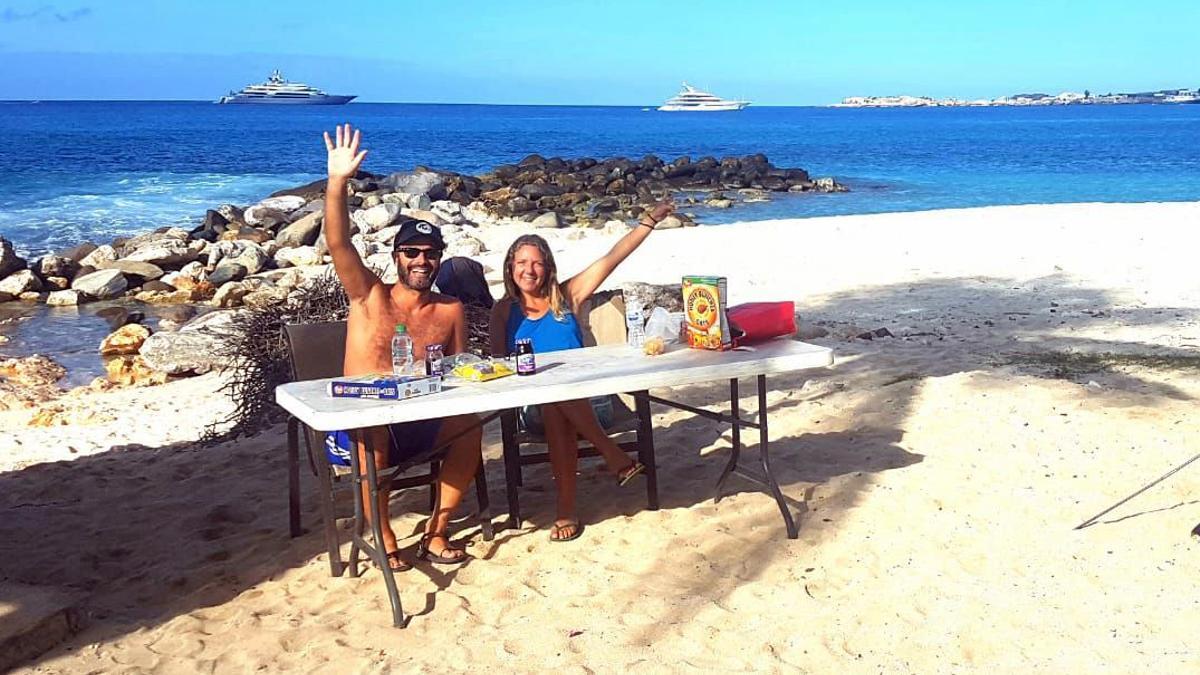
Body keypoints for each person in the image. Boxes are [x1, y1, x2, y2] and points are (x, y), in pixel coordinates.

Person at [322, 123, 481, 570]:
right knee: (372, 437)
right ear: (396, 258)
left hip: (419, 419)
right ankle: (385, 535)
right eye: (411, 252)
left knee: (468, 428)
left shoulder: (450, 308)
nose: (421, 260)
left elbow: (458, 371)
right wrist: (338, 181)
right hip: (362, 423)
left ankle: (436, 531)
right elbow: (338, 242)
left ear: (439, 259)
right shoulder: (369, 295)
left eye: (430, 253)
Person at [488, 198, 676, 542]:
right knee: (553, 400)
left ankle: (567, 510)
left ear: (548, 268)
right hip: (535, 409)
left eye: (537, 263)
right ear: (510, 267)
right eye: (522, 263)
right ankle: (612, 456)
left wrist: (649, 220)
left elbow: (612, 259)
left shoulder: (566, 296)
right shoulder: (503, 312)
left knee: (560, 400)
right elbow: (497, 369)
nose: (529, 270)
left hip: (594, 403)